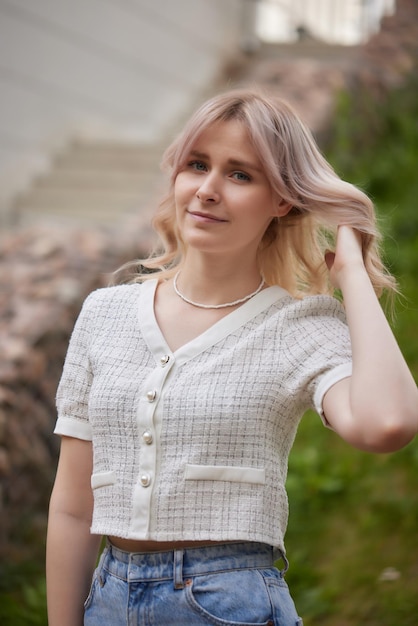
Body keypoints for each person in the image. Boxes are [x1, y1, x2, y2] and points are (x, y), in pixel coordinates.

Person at [46, 89, 418, 626]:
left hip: (227, 604)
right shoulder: (105, 313)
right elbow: (72, 506)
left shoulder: (301, 324)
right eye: (197, 165)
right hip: (106, 598)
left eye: (240, 175)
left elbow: (389, 424)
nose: (207, 190)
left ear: (283, 199)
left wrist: (352, 276)